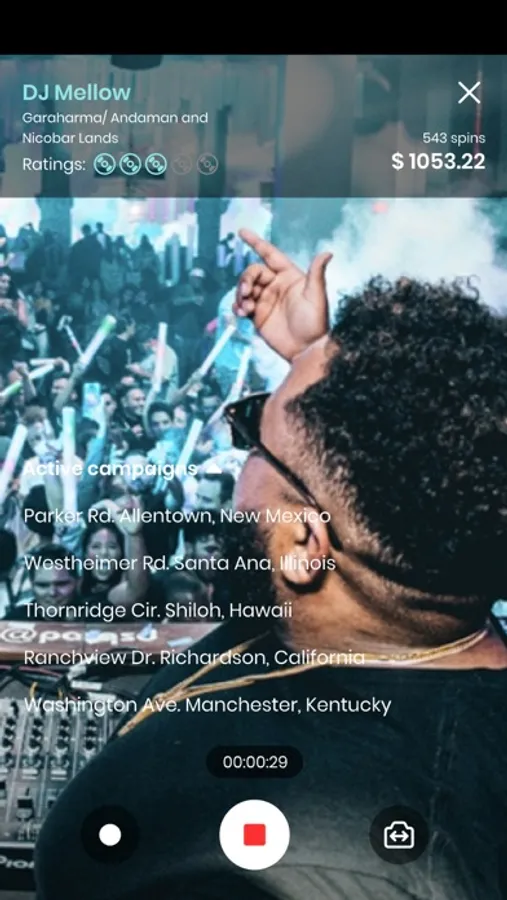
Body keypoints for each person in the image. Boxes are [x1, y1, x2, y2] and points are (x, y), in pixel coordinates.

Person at [35, 231, 507, 900]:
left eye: (252, 434)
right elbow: (430, 440)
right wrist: (314, 359)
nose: (238, 458)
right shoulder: (409, 597)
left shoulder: (304, 871)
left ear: (305, 547)